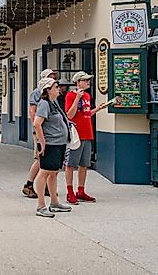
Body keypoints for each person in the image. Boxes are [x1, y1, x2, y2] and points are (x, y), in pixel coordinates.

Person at [33, 77, 72, 218]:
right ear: (47, 90)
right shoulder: (44, 104)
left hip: (59, 143)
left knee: (54, 172)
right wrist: (42, 142)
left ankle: (54, 202)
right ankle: (41, 205)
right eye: (55, 87)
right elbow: (37, 123)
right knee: (44, 172)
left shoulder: (53, 103)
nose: (58, 89)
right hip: (51, 143)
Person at [64, 71, 99, 204]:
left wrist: (97, 109)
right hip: (76, 135)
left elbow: (86, 113)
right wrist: (77, 98)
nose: (88, 82)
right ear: (78, 82)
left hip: (87, 132)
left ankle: (81, 190)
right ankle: (70, 191)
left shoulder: (87, 96)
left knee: (84, 164)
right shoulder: (70, 95)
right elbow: (70, 115)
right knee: (71, 164)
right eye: (85, 80)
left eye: (88, 80)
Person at [22, 69, 57, 198]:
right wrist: (37, 129)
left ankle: (48, 186)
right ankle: (29, 185)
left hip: (51, 131)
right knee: (39, 158)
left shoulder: (53, 94)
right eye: (50, 76)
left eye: (54, 76)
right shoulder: (37, 93)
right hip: (42, 130)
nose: (53, 79)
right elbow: (32, 111)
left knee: (48, 160)